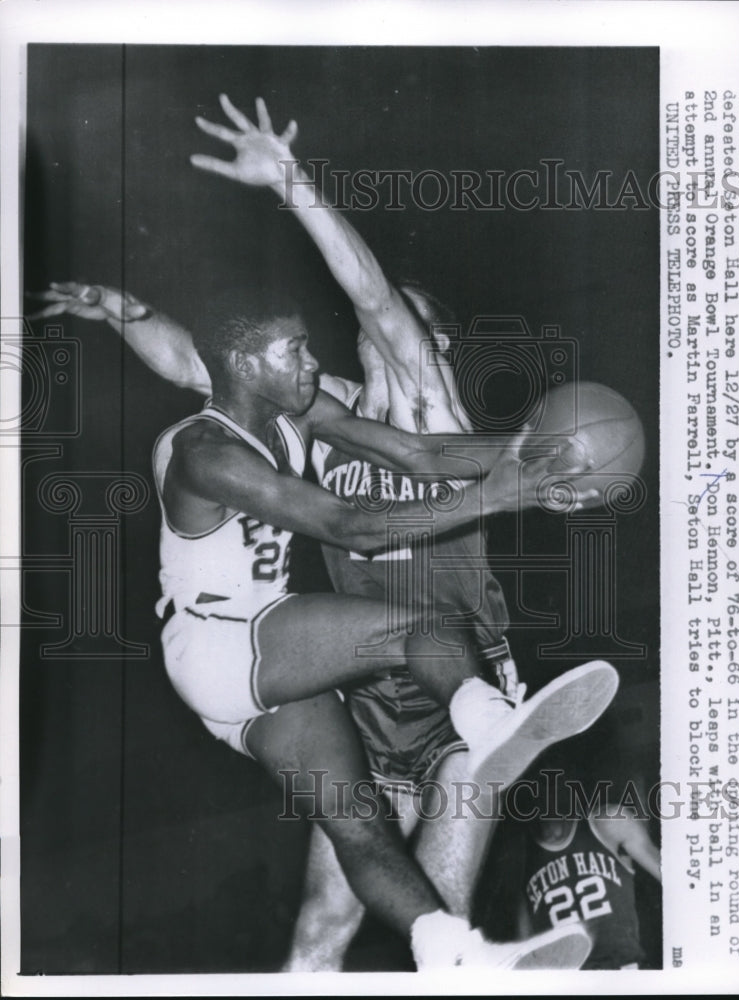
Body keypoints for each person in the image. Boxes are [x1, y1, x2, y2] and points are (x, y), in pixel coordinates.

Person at [29, 95, 620, 971]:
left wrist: (547, 469)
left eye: (410, 329)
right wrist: (126, 314)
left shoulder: (431, 402)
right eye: (367, 333)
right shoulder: (324, 407)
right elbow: (206, 364)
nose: (381, 332)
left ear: (436, 344)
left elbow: (377, 297)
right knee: (321, 926)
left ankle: (482, 791)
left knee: (442, 912)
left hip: (456, 680)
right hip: (361, 688)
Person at [474, 768, 661, 970]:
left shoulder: (607, 822)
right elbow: (528, 950)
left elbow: (674, 877)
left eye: (552, 787)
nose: (546, 798)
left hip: (620, 972)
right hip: (568, 978)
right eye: (536, 791)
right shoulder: (520, 862)